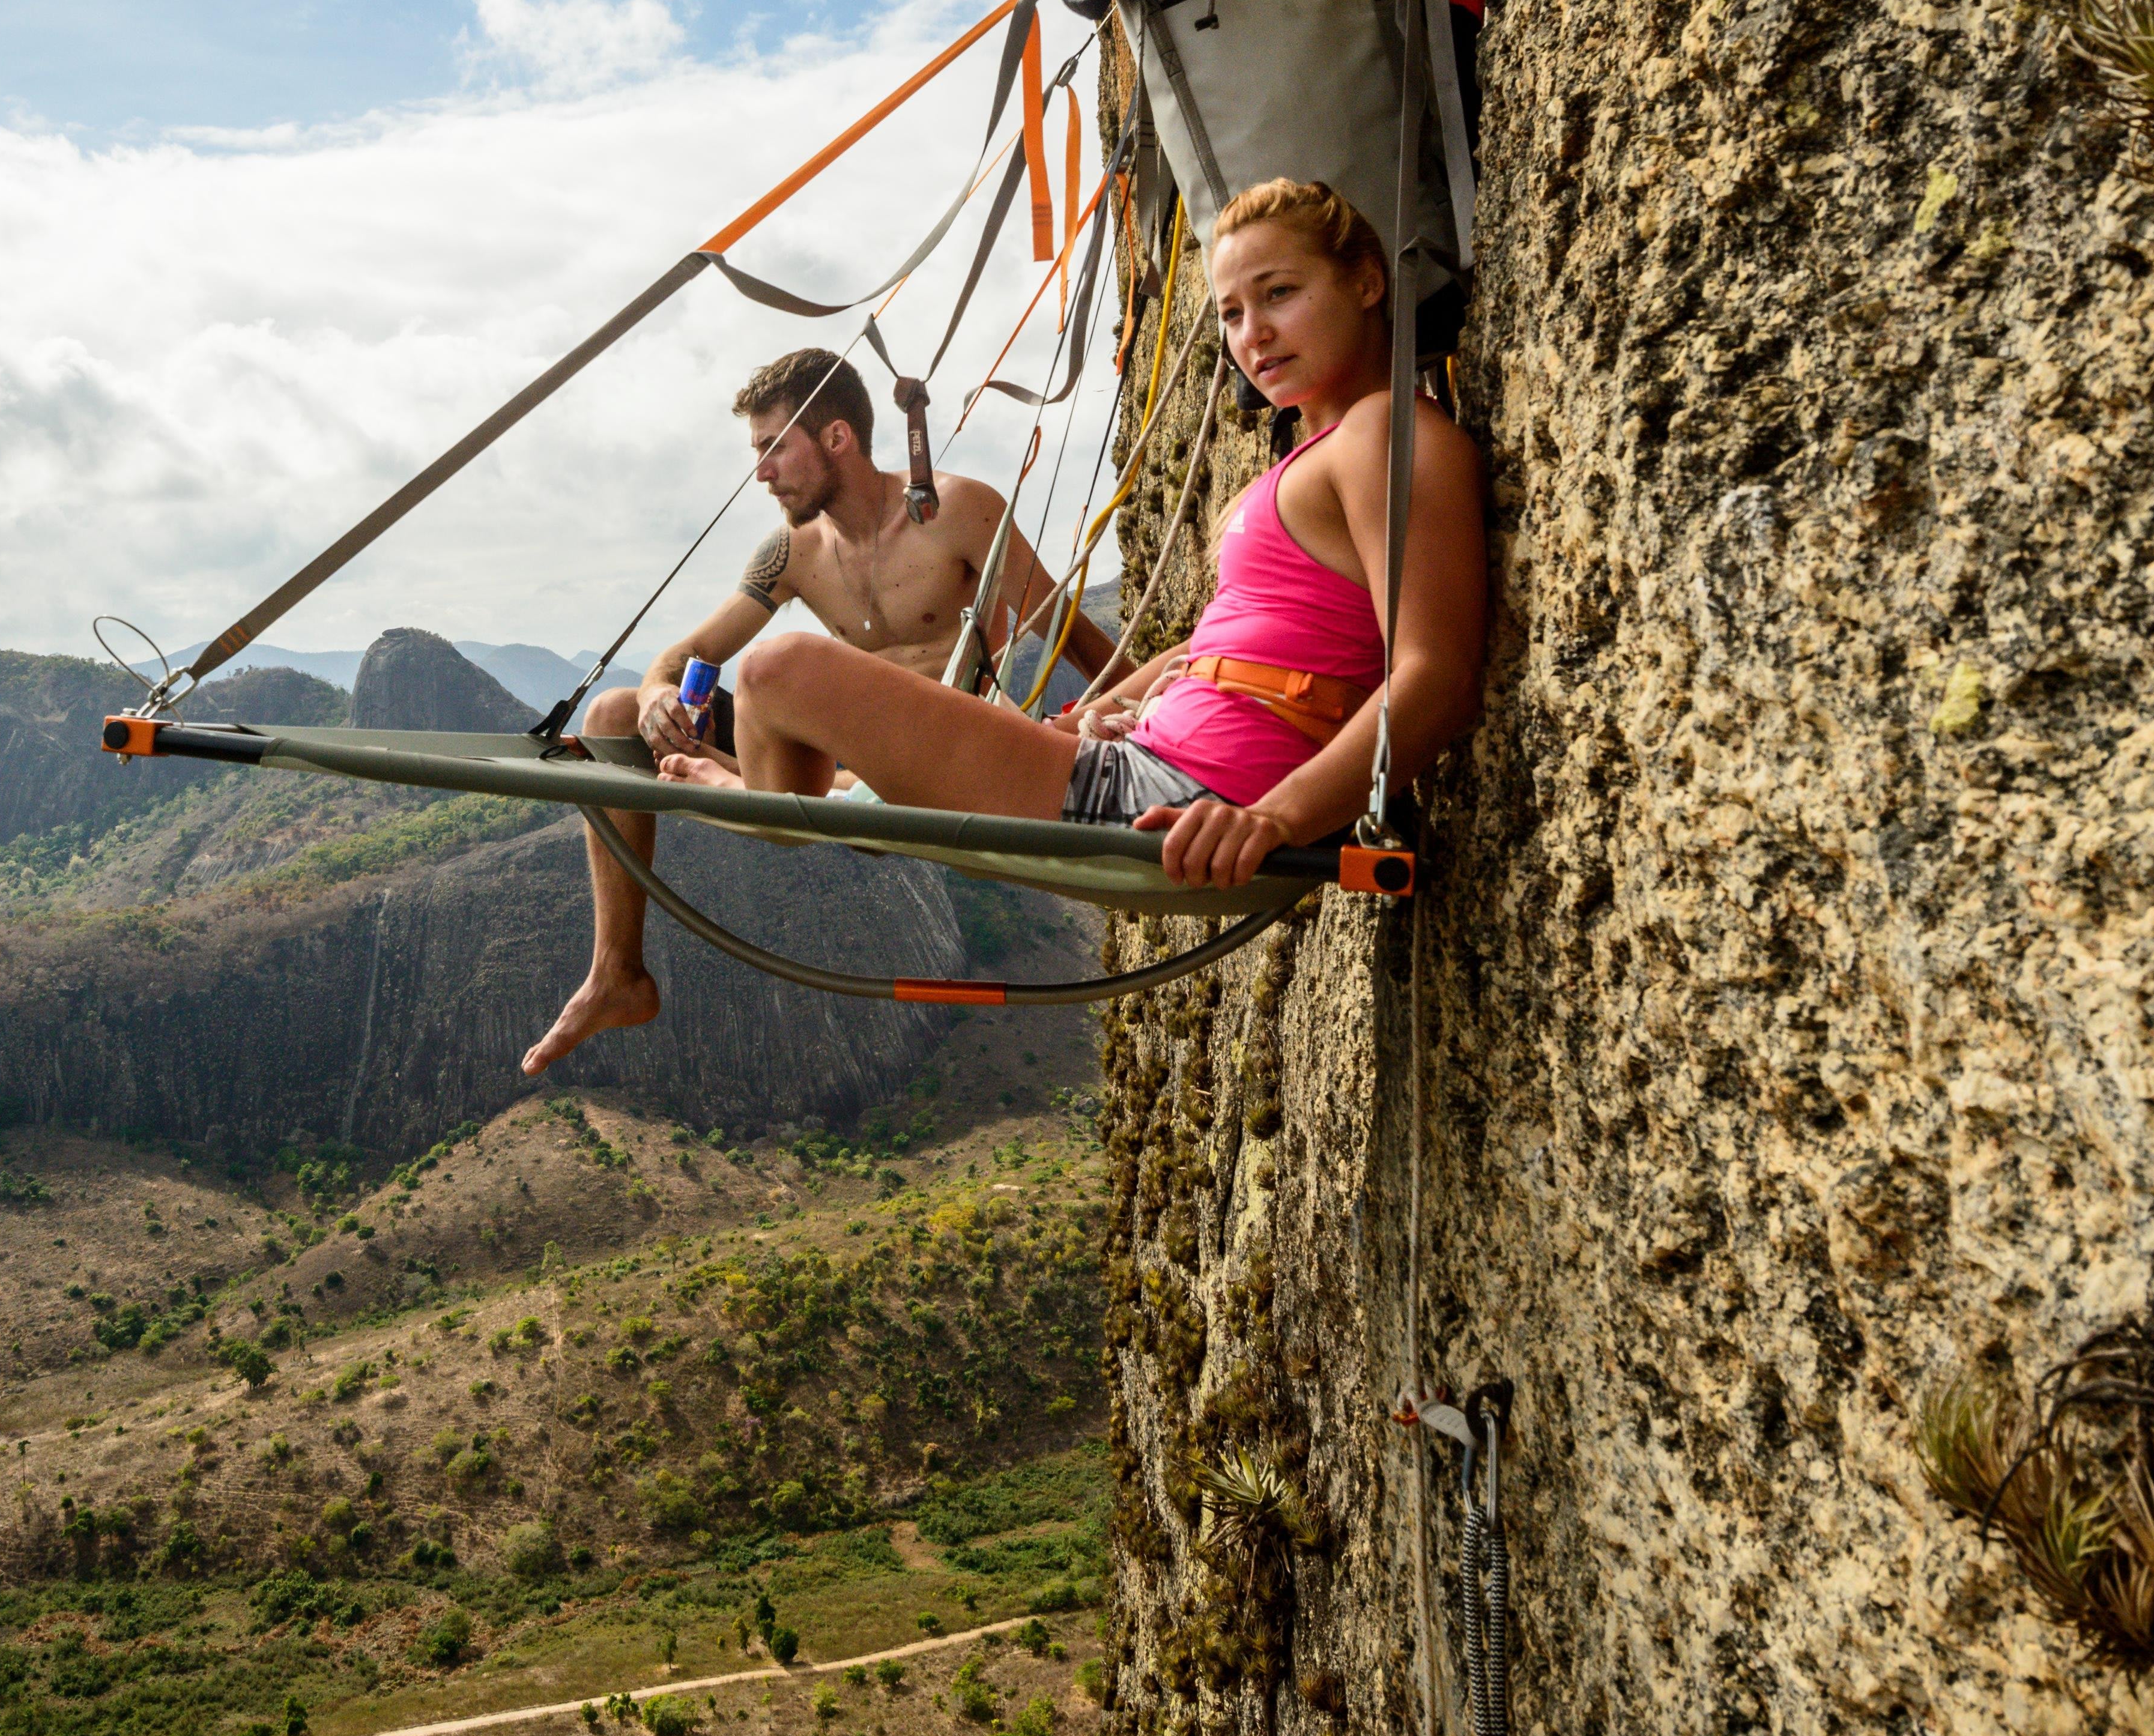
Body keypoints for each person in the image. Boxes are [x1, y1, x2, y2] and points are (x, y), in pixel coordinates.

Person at [650, 178, 1487, 899]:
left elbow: (1435, 672)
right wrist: (1103, 712)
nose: (1252, 335)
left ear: (1369, 281)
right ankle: (739, 831)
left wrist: (1280, 815)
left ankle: (758, 801)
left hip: (1175, 793)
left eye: (1279, 294)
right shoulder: (1312, 460)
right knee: (635, 708)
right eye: (1230, 312)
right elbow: (1215, 651)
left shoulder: (1383, 435)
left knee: (777, 671)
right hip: (1144, 757)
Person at [526, 345, 1119, 1075]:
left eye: (774, 447)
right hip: (834, 777)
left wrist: (1129, 730)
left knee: (778, 666)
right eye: (757, 452)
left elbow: (1081, 644)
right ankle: (617, 973)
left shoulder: (957, 512)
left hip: (935, 777)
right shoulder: (791, 553)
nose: (761, 472)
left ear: (837, 438)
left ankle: (742, 786)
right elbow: (682, 656)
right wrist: (655, 696)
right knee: (612, 713)